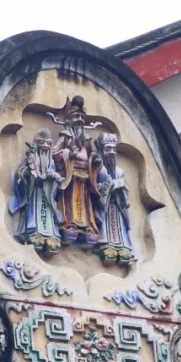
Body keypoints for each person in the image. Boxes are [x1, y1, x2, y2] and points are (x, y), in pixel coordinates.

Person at [51, 96, 101, 246]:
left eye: (81, 117)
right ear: (70, 119)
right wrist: (68, 154)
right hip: (70, 175)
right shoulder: (65, 136)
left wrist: (96, 160)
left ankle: (88, 228)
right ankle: (68, 225)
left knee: (86, 204)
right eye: (76, 116)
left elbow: (94, 153)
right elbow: (55, 152)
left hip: (85, 177)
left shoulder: (87, 139)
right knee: (68, 201)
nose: (79, 120)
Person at [10, 128, 63, 255]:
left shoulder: (51, 163)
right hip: (34, 193)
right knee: (34, 214)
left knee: (48, 215)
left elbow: (54, 181)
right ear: (36, 144)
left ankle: (51, 236)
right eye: (41, 142)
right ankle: (33, 233)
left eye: (48, 143)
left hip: (47, 195)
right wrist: (28, 174)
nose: (45, 146)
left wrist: (53, 177)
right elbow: (21, 174)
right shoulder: (30, 159)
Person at [93, 133, 134, 264]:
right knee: (106, 227)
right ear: (101, 151)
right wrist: (105, 187)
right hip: (105, 205)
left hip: (117, 205)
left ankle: (124, 248)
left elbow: (124, 190)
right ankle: (107, 247)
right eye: (108, 149)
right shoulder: (99, 170)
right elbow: (94, 188)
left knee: (120, 227)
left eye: (114, 149)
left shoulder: (120, 171)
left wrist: (121, 187)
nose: (112, 152)